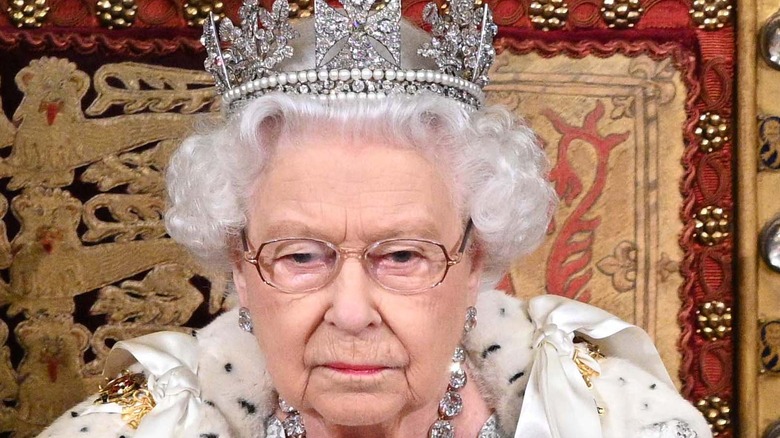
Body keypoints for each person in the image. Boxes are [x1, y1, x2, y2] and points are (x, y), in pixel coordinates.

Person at [37, 0, 712, 437]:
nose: (352, 312)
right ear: (241, 267)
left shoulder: (599, 409)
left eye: (404, 256)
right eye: (301, 256)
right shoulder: (145, 421)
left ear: (475, 261)